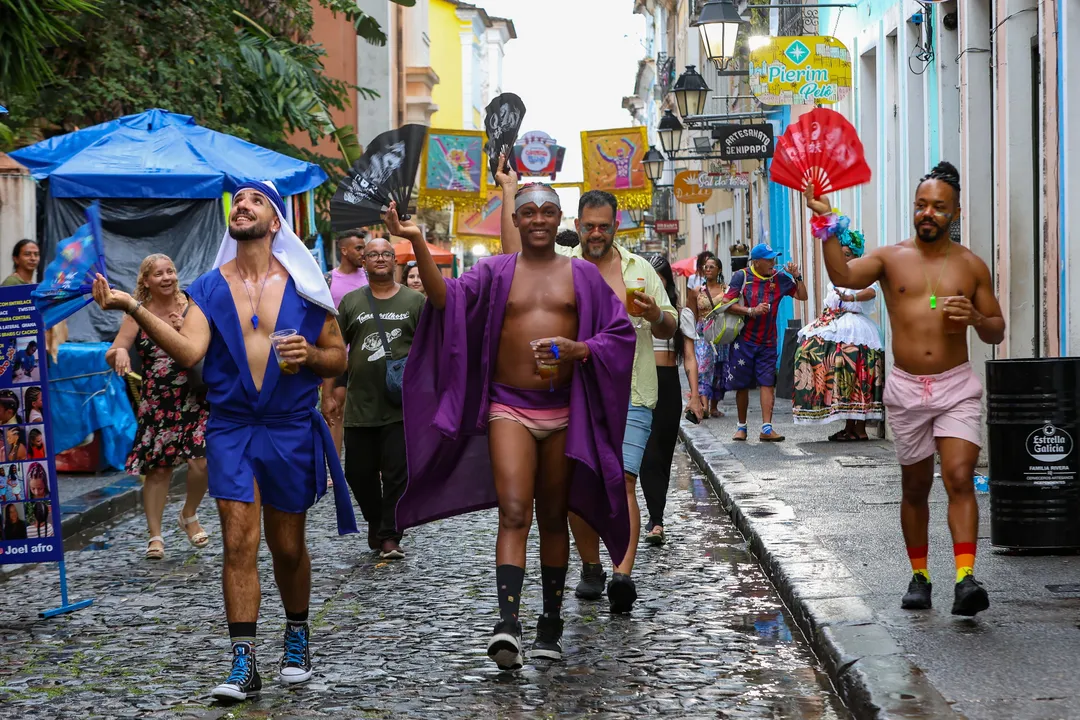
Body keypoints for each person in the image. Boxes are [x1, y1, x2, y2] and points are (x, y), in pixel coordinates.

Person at [92, 180, 354, 701]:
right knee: (238, 543)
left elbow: (339, 357)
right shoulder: (207, 288)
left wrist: (311, 357)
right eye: (238, 202)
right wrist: (133, 307)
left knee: (287, 545)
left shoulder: (305, 285)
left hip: (288, 427)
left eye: (255, 201)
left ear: (275, 221)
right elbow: (189, 353)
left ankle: (297, 633)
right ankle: (243, 662)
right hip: (232, 427)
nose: (243, 206)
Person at [391, 177, 636, 669]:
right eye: (530, 211)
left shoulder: (583, 276)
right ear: (518, 219)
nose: (539, 218)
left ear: (558, 217)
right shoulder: (494, 271)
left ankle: (550, 623)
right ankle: (507, 624)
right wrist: (416, 240)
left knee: (552, 516)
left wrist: (581, 349)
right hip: (509, 407)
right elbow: (444, 299)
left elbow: (620, 333)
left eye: (548, 210)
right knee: (514, 511)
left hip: (566, 410)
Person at [808, 160, 1005, 617]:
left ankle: (965, 579)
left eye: (938, 207)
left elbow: (995, 329)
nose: (927, 213)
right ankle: (920, 577)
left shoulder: (972, 266)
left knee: (959, 476)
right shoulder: (889, 258)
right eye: (921, 205)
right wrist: (825, 222)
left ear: (954, 213)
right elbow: (843, 277)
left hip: (956, 385)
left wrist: (976, 319)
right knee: (915, 487)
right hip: (907, 388)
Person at [496, 156, 677, 613]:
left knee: (624, 481)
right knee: (580, 480)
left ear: (617, 226)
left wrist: (655, 315)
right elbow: (506, 261)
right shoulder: (563, 266)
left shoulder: (641, 269)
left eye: (604, 227)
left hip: (633, 390)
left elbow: (671, 325)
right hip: (575, 393)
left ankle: (622, 572)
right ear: (577, 225)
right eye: (590, 226)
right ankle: (592, 565)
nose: (596, 233)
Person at [321, 237, 424, 560]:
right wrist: (330, 392)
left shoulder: (414, 302)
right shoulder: (351, 302)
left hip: (401, 405)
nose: (380, 258)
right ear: (363, 262)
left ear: (395, 261)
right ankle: (376, 519)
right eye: (373, 254)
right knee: (357, 472)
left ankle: (390, 535)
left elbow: (428, 350)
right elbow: (335, 351)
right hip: (360, 404)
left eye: (386, 254)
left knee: (397, 474)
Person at [106, 254, 212, 560]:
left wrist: (184, 331)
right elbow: (115, 349)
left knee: (202, 462)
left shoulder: (191, 308)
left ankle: (188, 515)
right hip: (157, 402)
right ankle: (155, 536)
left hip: (193, 396)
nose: (167, 277)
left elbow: (210, 345)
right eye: (159, 274)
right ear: (146, 282)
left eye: (171, 271)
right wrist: (119, 356)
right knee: (158, 470)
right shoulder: (137, 313)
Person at [792, 219, 884, 439]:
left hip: (856, 330)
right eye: (841, 254)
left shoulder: (862, 273)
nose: (843, 259)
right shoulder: (838, 277)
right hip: (837, 325)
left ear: (855, 255)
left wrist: (850, 296)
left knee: (851, 374)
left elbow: (871, 292)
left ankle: (859, 428)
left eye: (847, 255)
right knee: (835, 371)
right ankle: (849, 426)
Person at [640, 255, 703, 546]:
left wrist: (695, 396)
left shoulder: (680, 314)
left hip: (667, 385)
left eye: (659, 277)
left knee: (661, 455)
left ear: (666, 281)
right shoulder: (633, 309)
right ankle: (653, 520)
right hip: (640, 382)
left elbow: (689, 358)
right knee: (645, 453)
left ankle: (657, 518)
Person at [723, 243, 808, 442]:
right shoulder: (742, 277)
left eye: (774, 259)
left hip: (768, 341)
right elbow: (726, 304)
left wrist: (797, 276)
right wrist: (751, 311)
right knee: (742, 384)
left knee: (767, 382)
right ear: (757, 261)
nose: (773, 263)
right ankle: (741, 427)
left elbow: (802, 296)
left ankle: (767, 428)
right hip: (743, 340)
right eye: (769, 259)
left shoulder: (779, 279)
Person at [323, 229, 369, 460]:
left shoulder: (372, 278)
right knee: (335, 412)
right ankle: (333, 466)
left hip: (367, 357)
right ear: (344, 250)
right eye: (358, 248)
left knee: (370, 411)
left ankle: (376, 464)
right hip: (337, 359)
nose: (364, 252)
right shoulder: (327, 281)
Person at [694, 255, 730, 418]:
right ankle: (704, 405)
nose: (707, 270)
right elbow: (692, 313)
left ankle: (714, 406)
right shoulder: (697, 291)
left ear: (719, 270)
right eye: (705, 267)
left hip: (721, 333)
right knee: (703, 368)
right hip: (703, 334)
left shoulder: (726, 289)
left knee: (719, 369)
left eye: (711, 267)